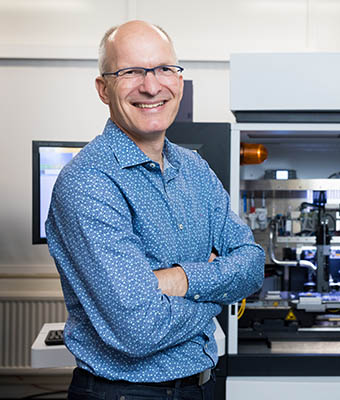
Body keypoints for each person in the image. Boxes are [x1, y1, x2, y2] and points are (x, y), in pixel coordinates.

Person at [46, 20, 264, 400]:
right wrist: (215, 291)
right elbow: (137, 328)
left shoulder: (195, 168)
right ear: (103, 88)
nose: (151, 86)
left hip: (202, 386)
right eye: (130, 72)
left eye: (164, 69)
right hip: (124, 394)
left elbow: (252, 265)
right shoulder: (87, 181)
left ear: (178, 81)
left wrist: (177, 280)